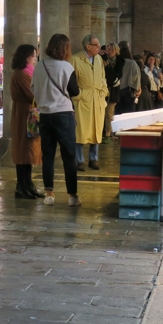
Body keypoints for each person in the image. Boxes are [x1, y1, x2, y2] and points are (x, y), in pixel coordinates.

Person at [32, 34, 81, 207]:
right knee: (69, 156)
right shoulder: (67, 67)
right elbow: (75, 91)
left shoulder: (39, 66)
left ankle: (49, 194)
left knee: (48, 155)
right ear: (66, 49)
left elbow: (33, 89)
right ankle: (72, 196)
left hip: (45, 115)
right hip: (64, 114)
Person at [9, 44, 45, 200]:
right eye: (33, 56)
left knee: (29, 150)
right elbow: (32, 94)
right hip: (23, 115)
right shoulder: (21, 74)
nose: (35, 59)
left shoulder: (27, 73)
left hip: (30, 113)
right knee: (24, 150)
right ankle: (21, 186)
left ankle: (28, 184)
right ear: (26, 57)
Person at [70, 34, 108, 171]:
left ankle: (94, 159)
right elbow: (71, 81)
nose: (99, 47)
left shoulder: (98, 59)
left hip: (97, 98)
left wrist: (104, 92)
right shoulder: (75, 59)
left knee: (96, 130)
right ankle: (79, 160)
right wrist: (78, 95)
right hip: (83, 99)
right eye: (96, 45)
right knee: (80, 131)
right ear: (88, 46)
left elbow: (103, 78)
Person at [102, 43, 123, 138]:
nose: (109, 52)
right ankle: (103, 131)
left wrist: (108, 67)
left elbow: (116, 76)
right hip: (103, 88)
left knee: (109, 112)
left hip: (113, 90)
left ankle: (108, 133)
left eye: (112, 50)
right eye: (108, 49)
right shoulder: (102, 59)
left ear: (116, 51)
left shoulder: (119, 62)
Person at [116, 46, 141, 115]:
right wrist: (136, 87)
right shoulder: (132, 63)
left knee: (118, 111)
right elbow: (136, 75)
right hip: (128, 89)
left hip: (118, 88)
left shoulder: (117, 62)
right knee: (129, 112)